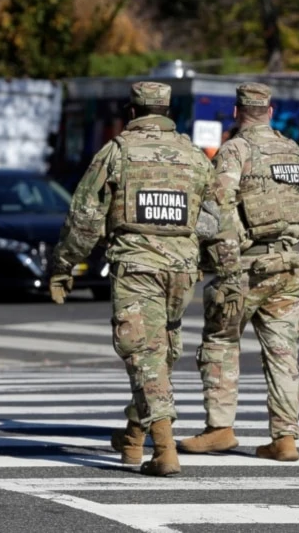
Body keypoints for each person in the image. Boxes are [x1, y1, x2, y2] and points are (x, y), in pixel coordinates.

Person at [49, 81, 239, 477]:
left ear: (131, 111)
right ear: (167, 111)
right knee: (158, 353)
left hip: (137, 268)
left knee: (144, 355)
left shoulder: (117, 153)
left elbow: (85, 217)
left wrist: (64, 266)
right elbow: (218, 220)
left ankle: (165, 450)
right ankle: (134, 437)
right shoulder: (194, 156)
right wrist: (226, 269)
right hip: (182, 272)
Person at [179, 83, 299, 462]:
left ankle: (220, 429)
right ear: (271, 112)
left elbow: (216, 206)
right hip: (292, 267)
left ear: (235, 113)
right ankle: (284, 438)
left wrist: (213, 260)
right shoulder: (294, 151)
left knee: (221, 342)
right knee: (282, 352)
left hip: (246, 267)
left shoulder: (235, 150)